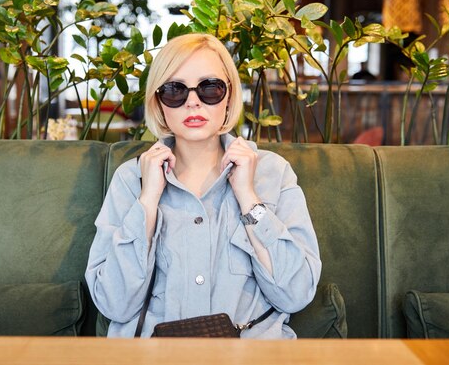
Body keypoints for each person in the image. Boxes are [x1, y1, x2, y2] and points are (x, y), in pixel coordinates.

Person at [85, 33, 321, 338]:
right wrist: (148, 202)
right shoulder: (132, 181)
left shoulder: (272, 174)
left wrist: (248, 199)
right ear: (158, 102)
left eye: (210, 88)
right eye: (175, 90)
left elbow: (297, 292)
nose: (193, 101)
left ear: (229, 96)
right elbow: (113, 304)